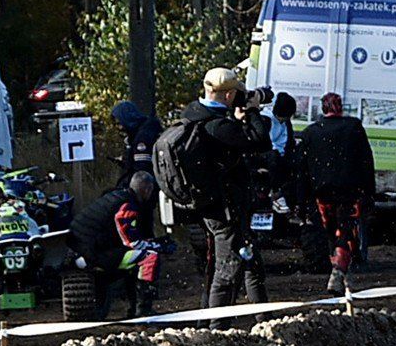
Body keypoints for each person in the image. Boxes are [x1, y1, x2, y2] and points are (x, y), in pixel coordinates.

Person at [182, 66, 270, 310]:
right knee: (226, 269)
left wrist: (236, 119)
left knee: (249, 261)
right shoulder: (217, 127)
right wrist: (252, 111)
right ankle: (216, 328)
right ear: (230, 96)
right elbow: (261, 140)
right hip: (226, 208)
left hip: (212, 204)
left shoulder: (193, 114)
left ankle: (264, 316)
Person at [298, 92, 376, 294]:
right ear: (340, 108)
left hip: (322, 193)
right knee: (346, 231)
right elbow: (367, 162)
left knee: (333, 232)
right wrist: (369, 192)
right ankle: (338, 271)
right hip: (349, 192)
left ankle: (340, 271)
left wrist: (302, 197)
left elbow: (301, 168)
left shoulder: (310, 132)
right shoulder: (353, 127)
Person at [66, 170, 163, 317]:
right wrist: (157, 246)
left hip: (78, 249)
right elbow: (131, 242)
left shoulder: (114, 196)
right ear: (147, 189)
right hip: (93, 255)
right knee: (149, 257)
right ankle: (143, 309)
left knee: (134, 258)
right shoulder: (127, 205)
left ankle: (133, 305)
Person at [110, 100, 161, 187]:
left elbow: (141, 169)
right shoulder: (145, 131)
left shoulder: (143, 137)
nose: (119, 128)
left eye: (119, 123)